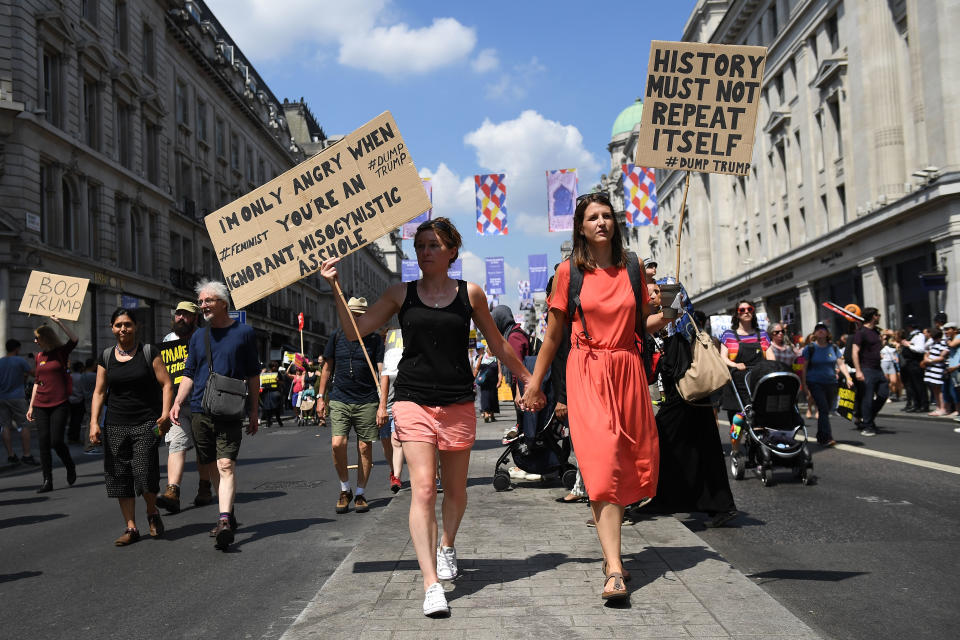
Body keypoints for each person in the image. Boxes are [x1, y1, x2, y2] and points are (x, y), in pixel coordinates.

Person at [319, 217, 532, 618]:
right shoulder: (401, 293)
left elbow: (497, 342)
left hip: (456, 402)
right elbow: (355, 331)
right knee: (421, 489)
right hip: (413, 400)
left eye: (433, 245)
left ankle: (447, 544)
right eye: (420, 246)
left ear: (452, 251)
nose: (425, 252)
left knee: (455, 489)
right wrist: (334, 287)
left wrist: (527, 379)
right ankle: (431, 583)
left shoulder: (470, 294)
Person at [521, 193, 658, 602]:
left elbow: (643, 323)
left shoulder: (632, 266)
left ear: (615, 222)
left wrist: (666, 311)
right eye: (592, 217)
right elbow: (552, 335)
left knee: (623, 461)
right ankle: (615, 568)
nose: (601, 222)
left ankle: (611, 555)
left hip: (627, 369)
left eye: (607, 216)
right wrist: (534, 382)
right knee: (601, 464)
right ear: (580, 226)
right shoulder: (569, 272)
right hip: (587, 372)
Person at [171, 280, 260, 551]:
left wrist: (254, 410)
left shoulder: (244, 333)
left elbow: (253, 375)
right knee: (209, 462)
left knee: (225, 465)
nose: (203, 305)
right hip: (200, 409)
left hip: (230, 409)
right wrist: (177, 402)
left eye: (208, 300)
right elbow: (189, 373)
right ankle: (228, 511)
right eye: (201, 302)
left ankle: (223, 520)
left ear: (223, 303)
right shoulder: (199, 336)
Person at [88, 308, 173, 545]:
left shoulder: (148, 352)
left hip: (146, 423)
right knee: (119, 477)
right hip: (115, 424)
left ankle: (152, 512)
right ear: (112, 328)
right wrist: (94, 422)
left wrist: (165, 413)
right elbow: (99, 391)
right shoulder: (106, 356)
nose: (123, 329)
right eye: (118, 325)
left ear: (136, 327)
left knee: (145, 472)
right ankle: (131, 528)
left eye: (127, 324)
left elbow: (166, 384)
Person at [317, 297, 385, 515]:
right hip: (340, 398)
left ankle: (360, 492)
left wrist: (383, 403)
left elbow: (382, 372)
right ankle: (344, 488)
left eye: (359, 315)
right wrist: (320, 397)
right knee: (338, 443)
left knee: (365, 447)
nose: (356, 318)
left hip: (367, 400)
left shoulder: (374, 340)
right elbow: (327, 369)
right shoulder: (337, 336)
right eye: (352, 314)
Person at [157, 300, 214, 513]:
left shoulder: (205, 337)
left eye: (186, 315)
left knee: (202, 448)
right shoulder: (168, 340)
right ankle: (173, 491)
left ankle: (204, 486)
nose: (181, 318)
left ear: (195, 318)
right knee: (176, 444)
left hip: (201, 401)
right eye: (178, 314)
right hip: (177, 406)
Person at [27, 316, 79, 493]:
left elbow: (74, 339)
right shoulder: (39, 356)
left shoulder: (60, 353)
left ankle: (69, 465)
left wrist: (59, 323)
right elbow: (36, 381)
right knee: (43, 443)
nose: (35, 341)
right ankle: (47, 480)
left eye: (37, 338)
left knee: (56, 440)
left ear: (45, 338)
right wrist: (31, 406)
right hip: (41, 403)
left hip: (59, 402)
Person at [719, 300, 775, 453]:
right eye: (742, 309)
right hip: (736, 383)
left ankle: (760, 445)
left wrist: (770, 367)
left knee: (759, 418)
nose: (746, 312)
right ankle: (735, 449)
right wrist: (734, 364)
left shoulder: (762, 335)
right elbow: (722, 357)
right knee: (736, 421)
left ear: (753, 311)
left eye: (749, 309)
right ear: (737, 313)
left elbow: (771, 357)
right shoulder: (728, 335)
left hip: (757, 383)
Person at [801, 322, 853, 446]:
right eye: (818, 329)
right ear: (814, 333)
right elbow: (804, 367)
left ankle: (820, 435)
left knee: (827, 409)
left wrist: (848, 377)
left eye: (823, 329)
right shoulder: (810, 348)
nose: (821, 331)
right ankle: (826, 437)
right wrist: (804, 385)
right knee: (823, 409)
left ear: (827, 333)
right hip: (815, 383)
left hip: (831, 383)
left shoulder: (833, 348)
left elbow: (840, 364)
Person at [491, 305, 530, 442]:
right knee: (524, 421)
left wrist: (519, 392)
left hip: (522, 386)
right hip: (523, 385)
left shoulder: (513, 337)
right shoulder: (513, 333)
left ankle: (527, 456)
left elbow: (518, 367)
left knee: (525, 421)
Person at [0, 339, 38, 466]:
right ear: (17, 348)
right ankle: (27, 455)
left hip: (2, 397)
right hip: (17, 397)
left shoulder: (1, 362)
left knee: (5, 426)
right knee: (24, 424)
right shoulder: (20, 361)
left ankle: (11, 455)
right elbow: (34, 374)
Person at [851, 307, 888, 437]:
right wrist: (858, 371)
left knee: (884, 394)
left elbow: (876, 348)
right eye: (878, 315)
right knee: (867, 398)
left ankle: (867, 417)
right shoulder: (861, 332)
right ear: (873, 316)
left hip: (878, 368)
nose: (879, 317)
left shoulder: (876, 332)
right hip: (866, 369)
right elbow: (855, 352)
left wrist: (882, 342)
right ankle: (867, 426)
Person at [377, 328, 405, 493]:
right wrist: (381, 407)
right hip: (384, 404)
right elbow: (384, 377)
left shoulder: (405, 357)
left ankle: (397, 477)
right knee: (386, 441)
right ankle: (393, 470)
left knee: (397, 441)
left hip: (400, 403)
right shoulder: (383, 357)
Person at [899, 317, 928, 412]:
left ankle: (923, 405)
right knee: (912, 385)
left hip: (915, 362)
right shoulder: (912, 336)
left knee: (919, 384)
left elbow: (920, 349)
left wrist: (909, 345)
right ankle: (916, 404)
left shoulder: (919, 335)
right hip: (909, 364)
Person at [472, 343, 500, 423]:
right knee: (485, 397)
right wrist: (472, 379)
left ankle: (492, 414)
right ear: (487, 349)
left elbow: (499, 372)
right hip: (484, 382)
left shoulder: (496, 358)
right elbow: (477, 369)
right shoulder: (482, 357)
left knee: (493, 398)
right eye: (490, 349)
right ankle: (486, 413)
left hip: (493, 382)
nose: (491, 350)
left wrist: (499, 381)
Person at [923, 328, 948, 416]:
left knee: (939, 389)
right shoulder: (933, 344)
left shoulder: (942, 344)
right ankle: (938, 407)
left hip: (937, 369)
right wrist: (927, 359)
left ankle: (943, 408)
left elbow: (942, 357)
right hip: (931, 369)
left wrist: (930, 361)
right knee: (934, 389)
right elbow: (927, 352)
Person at [259, 361, 286, 428]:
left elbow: (282, 383)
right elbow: (260, 380)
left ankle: (279, 421)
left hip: (275, 392)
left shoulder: (278, 374)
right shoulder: (265, 373)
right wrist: (262, 373)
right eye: (275, 366)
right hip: (266, 392)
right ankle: (268, 422)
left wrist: (278, 381)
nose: (276, 368)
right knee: (267, 408)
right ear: (271, 367)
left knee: (276, 408)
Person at [880, 330, 902, 402]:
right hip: (884, 362)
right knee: (886, 380)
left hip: (891, 362)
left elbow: (896, 349)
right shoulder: (880, 343)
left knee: (893, 381)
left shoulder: (892, 343)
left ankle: (891, 393)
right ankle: (886, 395)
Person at [67, 360, 85, 445]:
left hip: (69, 400)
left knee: (72, 419)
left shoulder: (70, 376)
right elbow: (83, 389)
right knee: (77, 420)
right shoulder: (81, 377)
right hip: (79, 400)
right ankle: (75, 437)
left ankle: (70, 436)